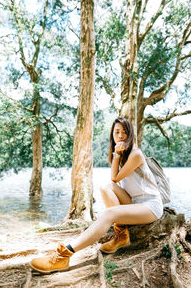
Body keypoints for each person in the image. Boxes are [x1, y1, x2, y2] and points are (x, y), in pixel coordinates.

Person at [30, 117, 163, 274]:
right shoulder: (121, 155)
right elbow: (113, 180)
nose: (120, 136)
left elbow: (116, 177)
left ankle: (65, 255)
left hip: (150, 206)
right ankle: (121, 235)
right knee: (105, 186)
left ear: (130, 134)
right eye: (117, 132)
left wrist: (116, 155)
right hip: (134, 202)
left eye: (124, 133)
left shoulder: (136, 154)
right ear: (112, 134)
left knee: (109, 213)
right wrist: (116, 155)